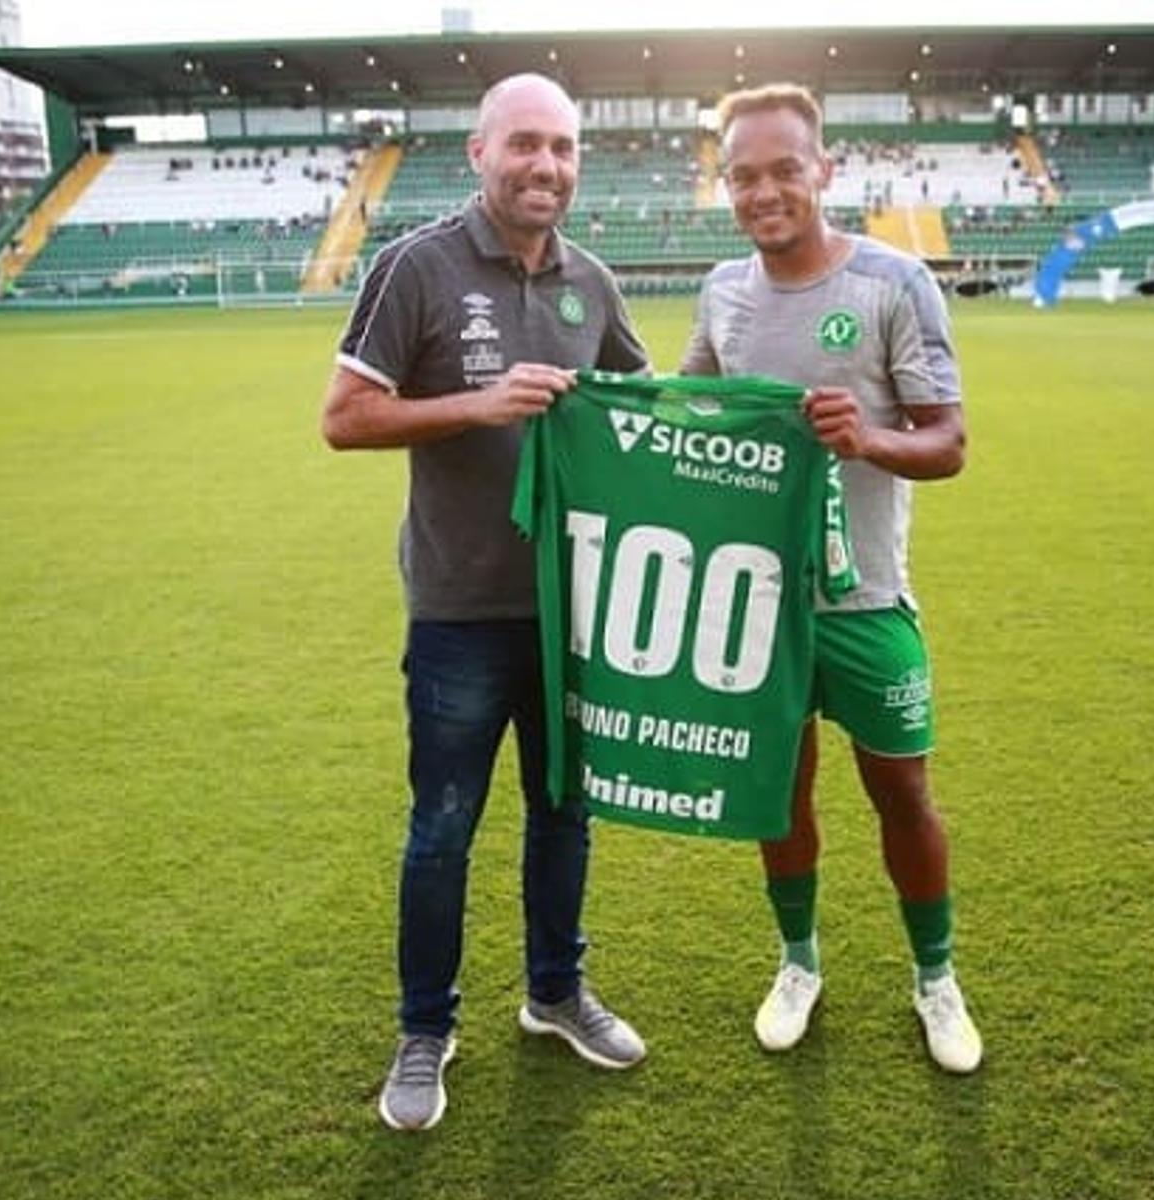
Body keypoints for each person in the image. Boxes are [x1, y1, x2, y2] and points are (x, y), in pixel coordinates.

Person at [320, 73, 652, 1133]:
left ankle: (555, 993)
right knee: (443, 827)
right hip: (459, 611)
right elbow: (344, 418)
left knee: (565, 816)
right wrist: (482, 402)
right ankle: (426, 1028)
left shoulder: (591, 283)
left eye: (562, 147)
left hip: (571, 615)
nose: (545, 165)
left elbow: (641, 411)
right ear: (478, 152)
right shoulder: (414, 266)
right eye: (525, 145)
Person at [679, 83, 982, 1074]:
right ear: (725, 185)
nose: (763, 191)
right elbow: (691, 417)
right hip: (762, 607)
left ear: (824, 171)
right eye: (743, 175)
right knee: (778, 795)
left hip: (867, 602)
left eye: (782, 170)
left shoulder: (895, 284)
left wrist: (872, 436)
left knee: (904, 791)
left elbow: (949, 443)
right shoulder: (722, 292)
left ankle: (935, 977)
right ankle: (798, 961)